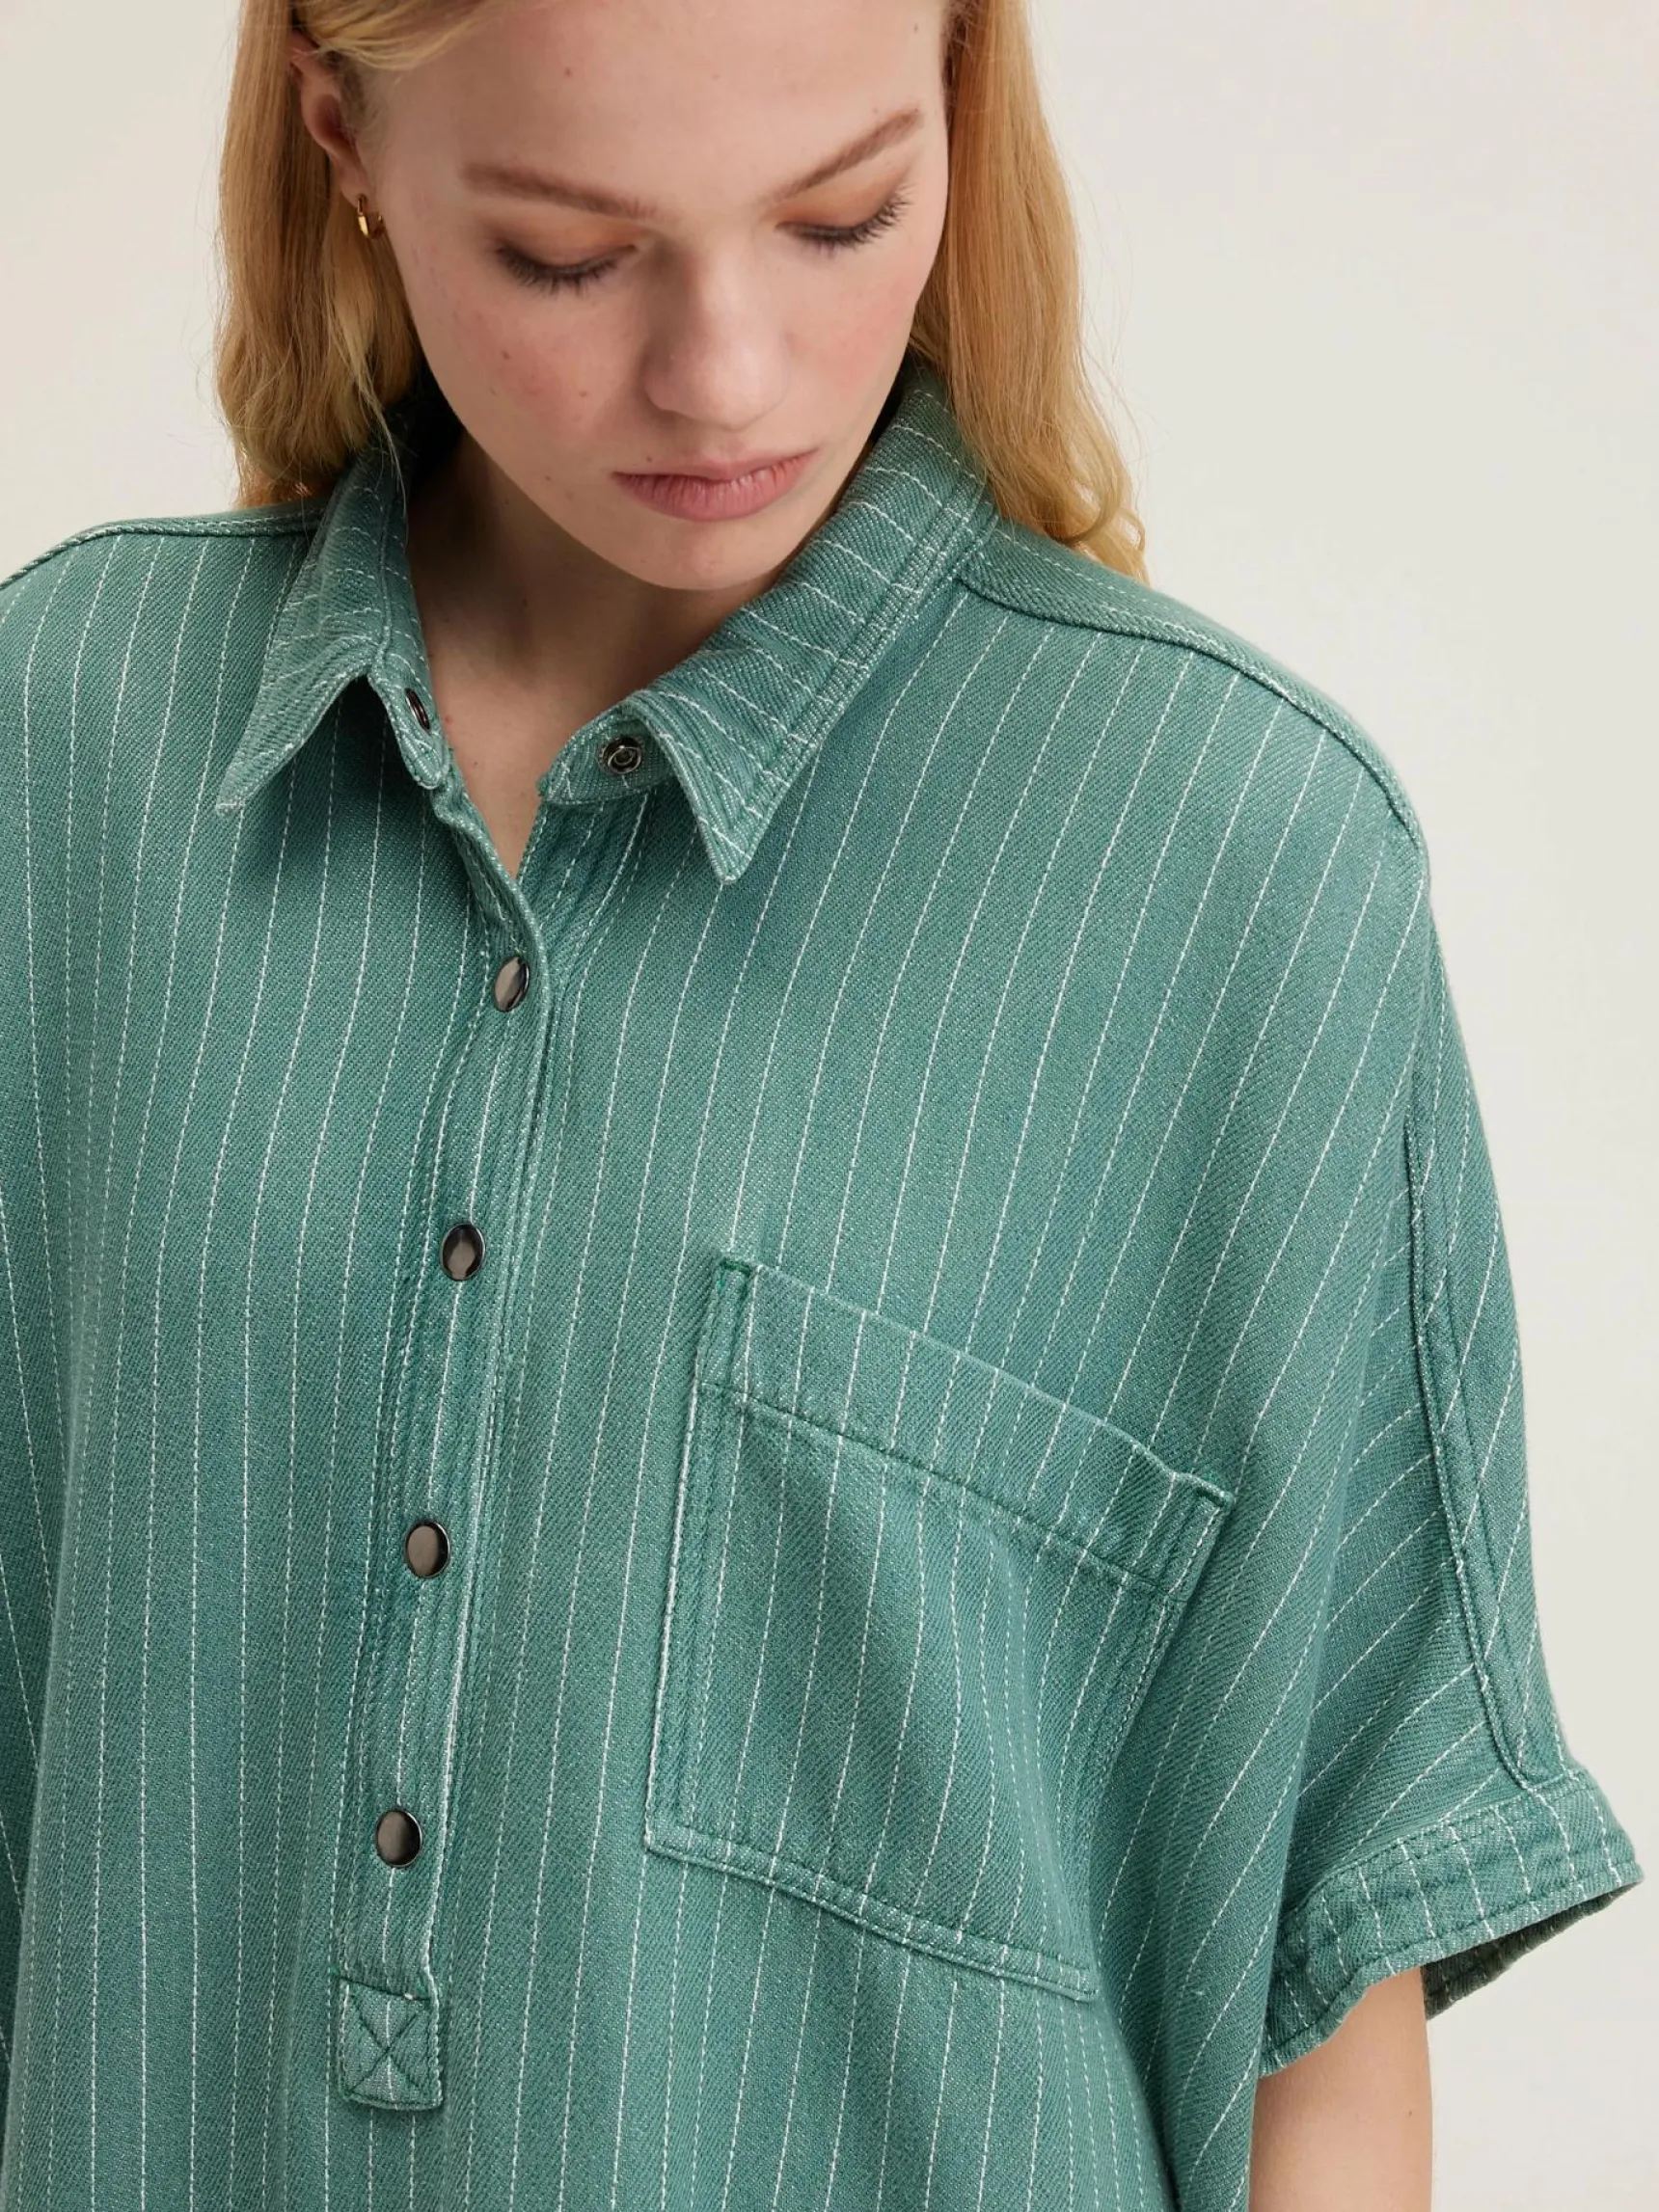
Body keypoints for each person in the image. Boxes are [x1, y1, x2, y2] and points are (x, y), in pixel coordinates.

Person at [0, 0, 1641, 2205]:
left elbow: (1318, 1996)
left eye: (840, 214)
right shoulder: (62, 762)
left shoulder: (1237, 875)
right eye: (571, 251)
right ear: (340, 134)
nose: (726, 373)